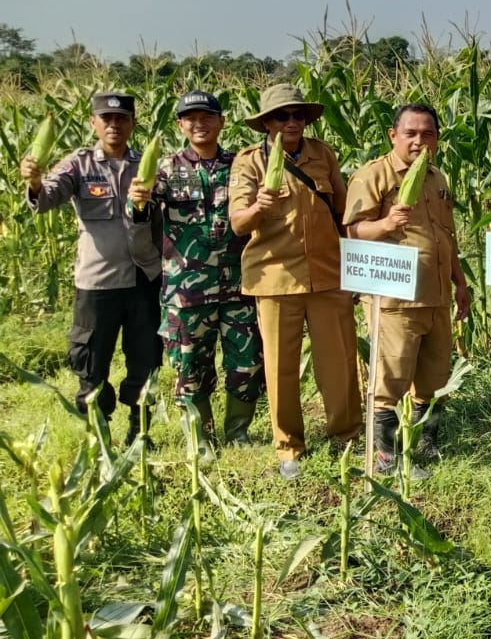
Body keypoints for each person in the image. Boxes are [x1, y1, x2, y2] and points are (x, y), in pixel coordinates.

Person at [229, 84, 361, 480]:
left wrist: (356, 268)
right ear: (266, 123)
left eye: (298, 115)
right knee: (280, 367)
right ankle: (289, 447)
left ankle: (346, 437)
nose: (291, 122)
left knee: (339, 362)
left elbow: (343, 213)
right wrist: (258, 207)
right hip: (275, 277)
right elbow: (238, 223)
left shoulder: (323, 154)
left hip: (328, 275)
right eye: (282, 116)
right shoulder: (249, 162)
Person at [22, 91, 162, 442]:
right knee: (90, 363)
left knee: (146, 360)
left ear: (133, 123)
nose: (114, 125)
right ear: (93, 123)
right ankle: (99, 436)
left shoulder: (149, 164)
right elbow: (46, 197)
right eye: (106, 119)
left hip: (143, 279)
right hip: (97, 282)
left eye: (121, 119)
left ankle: (140, 432)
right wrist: (34, 181)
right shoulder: (78, 164)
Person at [127, 90, 263, 447]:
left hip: (239, 286)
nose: (199, 124)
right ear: (180, 125)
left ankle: (238, 433)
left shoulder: (241, 166)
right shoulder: (166, 168)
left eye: (207, 117)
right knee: (190, 368)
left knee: (247, 364)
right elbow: (139, 212)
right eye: (191, 118)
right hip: (186, 290)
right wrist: (138, 201)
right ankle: (200, 440)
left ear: (221, 122)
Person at [345, 103, 471, 477]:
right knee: (391, 378)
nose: (419, 141)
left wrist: (460, 283)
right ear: (393, 135)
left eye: (427, 134)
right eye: (410, 133)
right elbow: (352, 230)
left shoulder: (438, 178)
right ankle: (386, 457)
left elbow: (446, 237)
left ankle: (424, 443)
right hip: (395, 299)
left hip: (436, 295)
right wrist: (386, 223)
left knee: (434, 377)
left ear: (437, 138)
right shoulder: (373, 175)